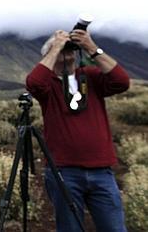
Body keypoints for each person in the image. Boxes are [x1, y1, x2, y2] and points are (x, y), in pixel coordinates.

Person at [26, 29, 129, 232]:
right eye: (62, 49)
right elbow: (34, 83)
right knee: (70, 228)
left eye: (69, 48)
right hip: (64, 172)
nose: (67, 51)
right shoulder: (49, 86)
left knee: (114, 228)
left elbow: (121, 81)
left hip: (101, 171)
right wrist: (56, 46)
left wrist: (90, 46)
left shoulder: (91, 77)